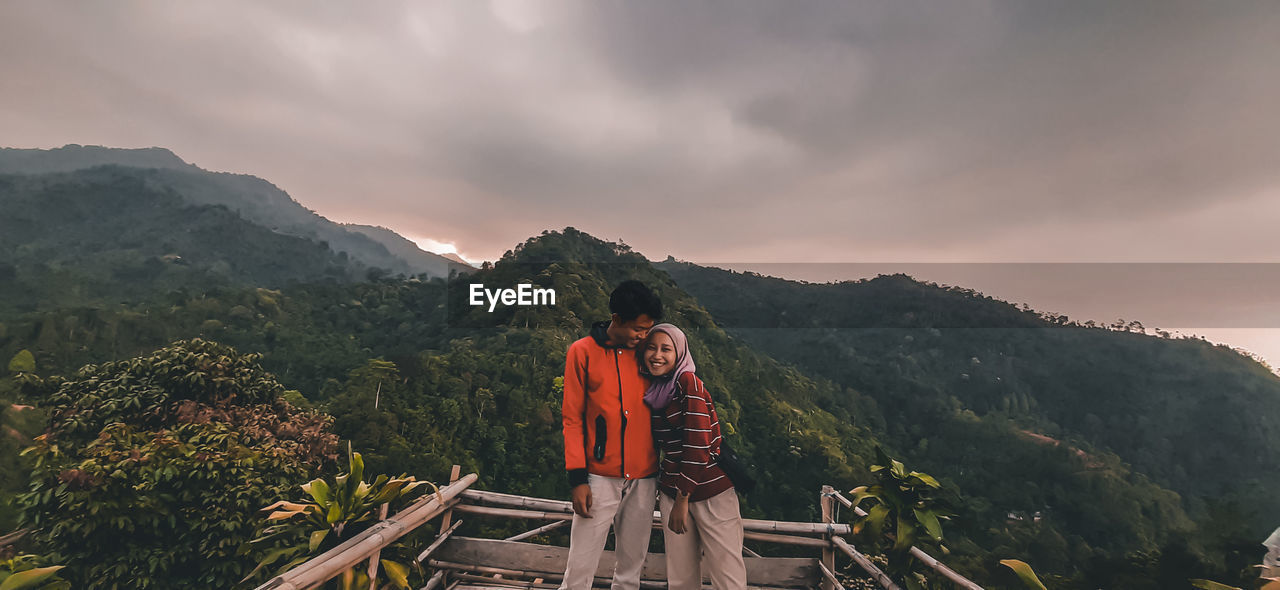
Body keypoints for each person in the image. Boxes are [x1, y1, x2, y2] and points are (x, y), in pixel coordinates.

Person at [559, 280, 664, 590]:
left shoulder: (648, 353)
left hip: (644, 478)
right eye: (639, 329)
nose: (644, 336)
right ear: (617, 319)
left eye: (648, 329)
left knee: (631, 569)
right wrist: (578, 479)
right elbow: (572, 418)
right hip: (598, 478)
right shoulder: (582, 352)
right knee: (580, 568)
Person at [642, 323, 746, 590]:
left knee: (726, 572)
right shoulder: (655, 389)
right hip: (671, 492)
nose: (657, 355)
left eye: (666, 349)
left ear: (679, 353)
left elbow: (699, 442)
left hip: (710, 493)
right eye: (651, 348)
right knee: (680, 576)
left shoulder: (688, 382)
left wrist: (682, 498)